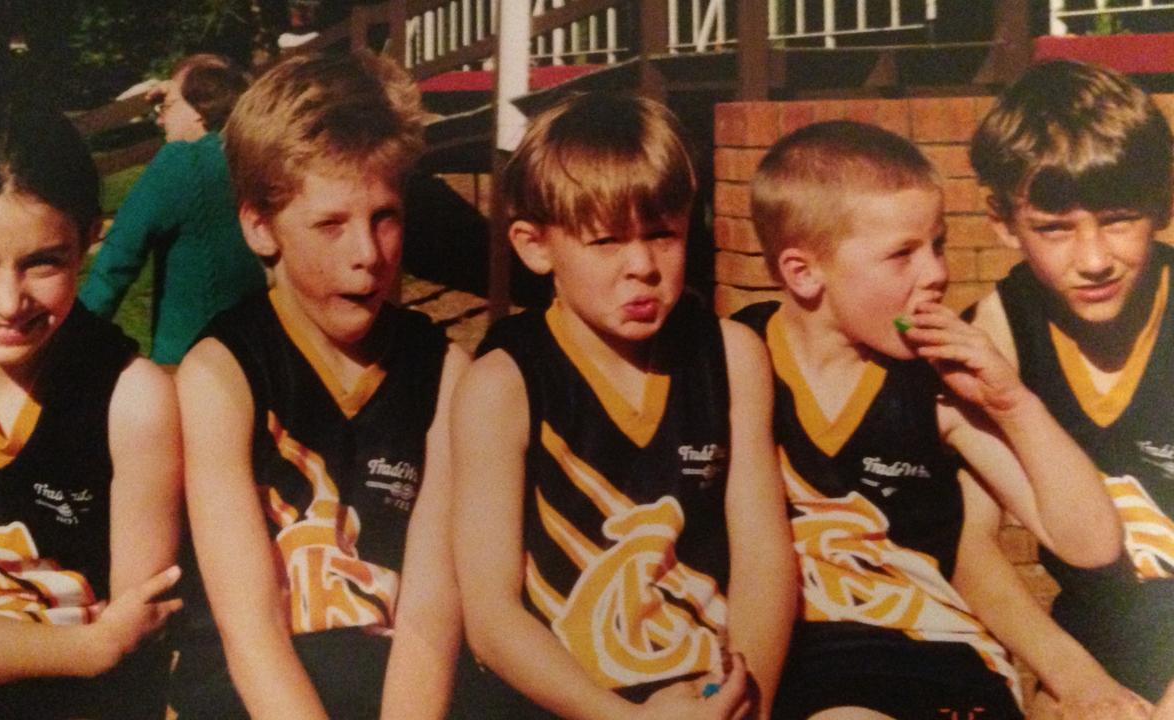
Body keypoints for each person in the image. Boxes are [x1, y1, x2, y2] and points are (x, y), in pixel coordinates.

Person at [727, 119, 1124, 720]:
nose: (936, 273)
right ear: (803, 272)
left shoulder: (933, 387)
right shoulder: (735, 355)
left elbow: (1090, 543)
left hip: (939, 662)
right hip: (810, 662)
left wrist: (1010, 402)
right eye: (902, 254)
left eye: (935, 244)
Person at [451, 92, 796, 720]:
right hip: (567, 700)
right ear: (534, 245)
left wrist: (747, 697)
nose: (642, 265)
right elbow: (491, 620)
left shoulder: (732, 356)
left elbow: (764, 561)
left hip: (708, 690)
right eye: (606, 241)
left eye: (662, 235)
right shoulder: (501, 384)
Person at [170, 51, 469, 719]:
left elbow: (428, 618)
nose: (367, 253)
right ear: (259, 227)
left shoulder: (447, 375)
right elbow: (251, 635)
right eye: (330, 224)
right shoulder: (222, 374)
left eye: (385, 216)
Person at [0, 101, 183, 719]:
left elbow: (136, 643)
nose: (9, 302)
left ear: (88, 242)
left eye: (42, 263)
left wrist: (100, 652)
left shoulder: (133, 397)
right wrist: (86, 646)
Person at [969, 59, 1174, 717]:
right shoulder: (1001, 327)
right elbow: (965, 541)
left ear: (1163, 205)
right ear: (1002, 221)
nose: (1092, 260)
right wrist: (1075, 680)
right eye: (1055, 228)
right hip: (1099, 646)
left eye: (1117, 219)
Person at [79, 53, 266, 365]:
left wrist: (66, 349)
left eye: (167, 107)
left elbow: (114, 264)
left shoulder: (183, 162)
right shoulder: (252, 157)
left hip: (187, 367)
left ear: (197, 111)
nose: (160, 118)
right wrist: (182, 86)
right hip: (257, 357)